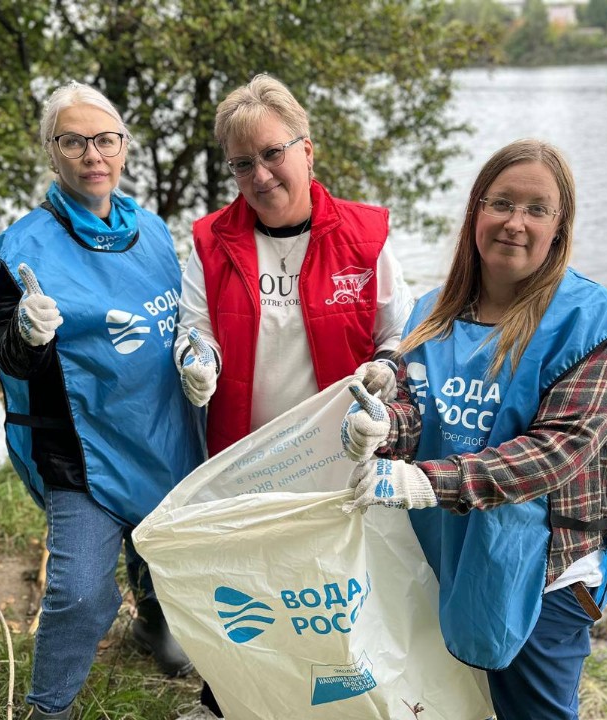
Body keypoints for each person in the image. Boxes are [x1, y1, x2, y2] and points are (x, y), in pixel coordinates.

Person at [340, 138, 607, 719]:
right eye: (501, 203)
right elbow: (418, 411)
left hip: (545, 573)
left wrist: (427, 483)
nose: (515, 222)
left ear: (560, 227)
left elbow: (556, 452)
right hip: (447, 553)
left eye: (537, 209)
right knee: (440, 701)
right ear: (475, 211)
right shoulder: (433, 313)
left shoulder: (594, 326)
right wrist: (377, 426)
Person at [173, 74, 414, 719]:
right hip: (243, 456)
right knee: (244, 591)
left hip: (334, 457)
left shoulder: (366, 237)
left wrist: (388, 369)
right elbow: (195, 327)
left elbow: (402, 332)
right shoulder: (209, 242)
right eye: (242, 162)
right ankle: (224, 703)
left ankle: (339, 704)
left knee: (329, 594)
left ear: (307, 150)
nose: (261, 173)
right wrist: (196, 358)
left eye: (274, 153)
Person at [0, 81, 205, 720]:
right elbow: (11, 361)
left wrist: (197, 356)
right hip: (81, 451)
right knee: (78, 595)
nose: (92, 154)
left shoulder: (152, 231)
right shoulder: (23, 252)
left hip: (164, 434)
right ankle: (50, 709)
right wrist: (26, 333)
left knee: (162, 559)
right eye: (73, 141)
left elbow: (184, 320)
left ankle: (153, 629)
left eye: (105, 139)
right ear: (52, 153)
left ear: (124, 148)